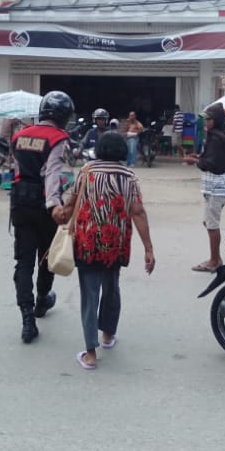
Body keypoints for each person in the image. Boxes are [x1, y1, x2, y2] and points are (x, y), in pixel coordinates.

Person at [62, 131, 155, 369]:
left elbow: (71, 202)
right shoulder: (129, 176)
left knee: (89, 294)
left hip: (88, 242)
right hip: (115, 243)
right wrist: (148, 249)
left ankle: (91, 354)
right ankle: (108, 335)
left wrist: (58, 213)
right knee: (112, 289)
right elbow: (138, 212)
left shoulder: (87, 172)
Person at [9, 90, 74, 344]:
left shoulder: (19, 136)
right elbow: (52, 174)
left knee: (23, 262)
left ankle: (27, 318)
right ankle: (41, 301)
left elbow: (15, 170)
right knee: (47, 257)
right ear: (62, 116)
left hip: (19, 203)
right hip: (44, 205)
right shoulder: (58, 138)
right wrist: (55, 206)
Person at [184, 102, 225, 272]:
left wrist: (195, 160)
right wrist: (198, 157)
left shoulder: (217, 138)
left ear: (216, 120)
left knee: (212, 224)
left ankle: (214, 260)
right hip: (213, 185)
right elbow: (210, 158)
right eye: (206, 120)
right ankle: (215, 257)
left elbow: (211, 163)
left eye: (209, 120)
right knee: (208, 223)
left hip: (217, 186)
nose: (207, 123)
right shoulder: (214, 136)